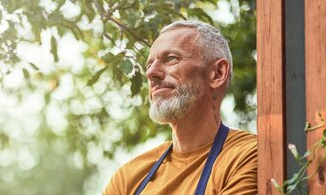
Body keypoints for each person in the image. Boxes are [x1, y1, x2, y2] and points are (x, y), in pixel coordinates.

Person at [103, 20, 257, 195]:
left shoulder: (247, 155)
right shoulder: (128, 177)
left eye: (171, 59)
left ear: (217, 73)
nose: (151, 73)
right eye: (149, 64)